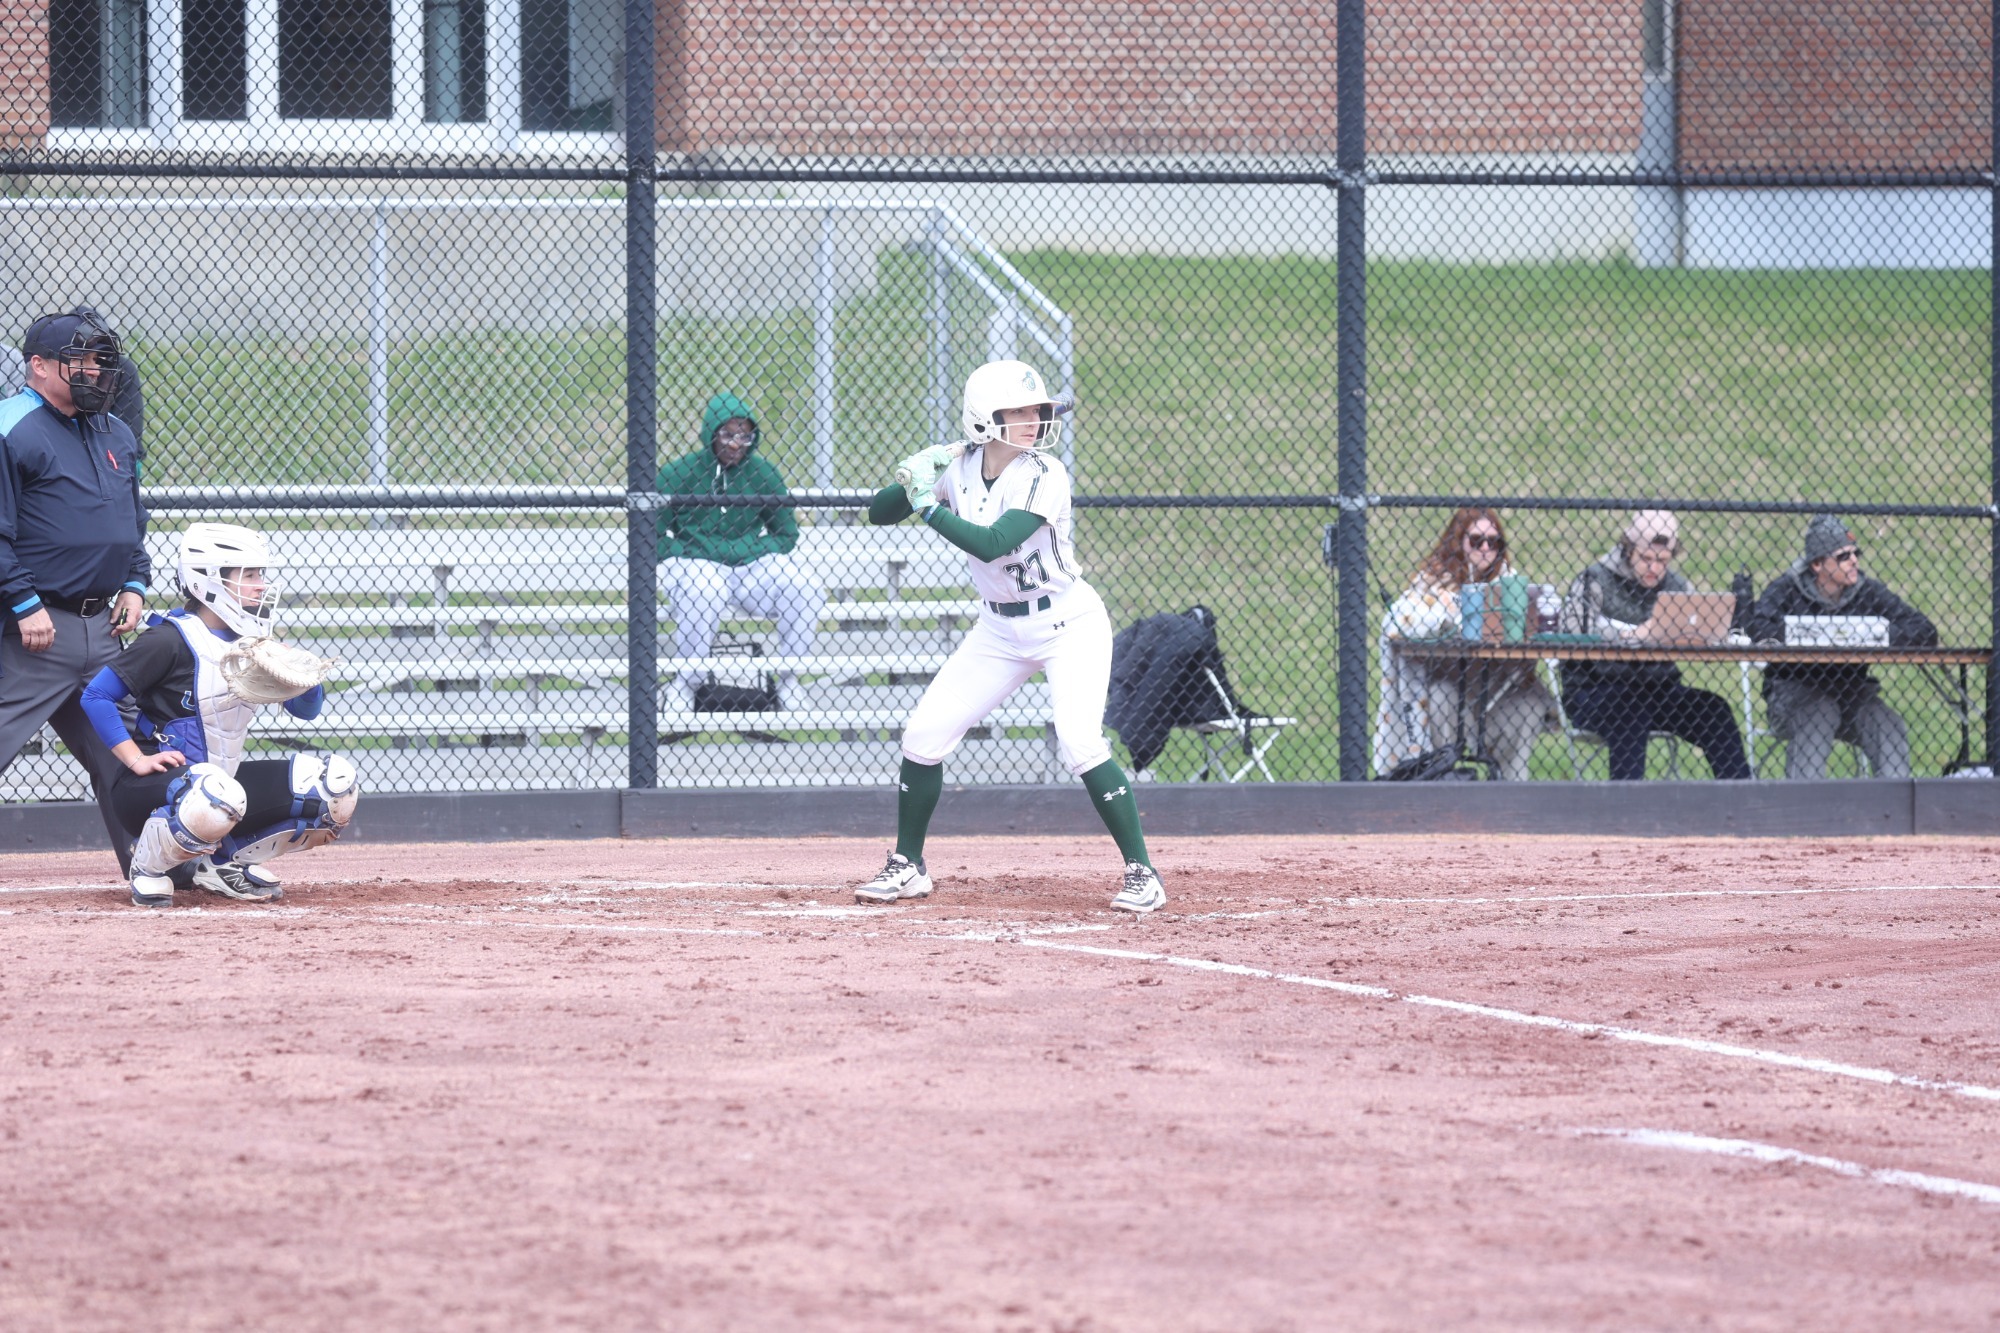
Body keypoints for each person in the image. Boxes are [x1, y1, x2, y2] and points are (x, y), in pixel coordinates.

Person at [852, 359, 1166, 914]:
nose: (1034, 420)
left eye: (1037, 411)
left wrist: (927, 506)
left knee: (1079, 742)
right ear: (982, 418)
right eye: (1018, 412)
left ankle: (1142, 872)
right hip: (999, 628)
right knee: (923, 736)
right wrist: (911, 479)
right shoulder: (960, 467)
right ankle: (909, 865)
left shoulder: (1045, 473)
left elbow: (995, 542)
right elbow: (878, 515)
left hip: (1068, 622)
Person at [79, 523, 360, 908]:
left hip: (220, 790)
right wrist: (136, 759)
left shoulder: (251, 643)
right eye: (249, 575)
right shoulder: (169, 639)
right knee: (214, 787)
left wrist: (302, 678)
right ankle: (147, 867)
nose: (261, 585)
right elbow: (96, 695)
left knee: (333, 787)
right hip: (150, 791)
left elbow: (305, 712)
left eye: (260, 574)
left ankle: (224, 864)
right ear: (209, 581)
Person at [0, 310, 149, 848]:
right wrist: (21, 601)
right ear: (37, 366)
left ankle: (159, 866)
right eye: (78, 361)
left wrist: (134, 582)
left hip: (103, 631)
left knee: (132, 756)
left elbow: (131, 522)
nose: (93, 371)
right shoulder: (11, 426)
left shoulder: (116, 431)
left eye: (99, 361)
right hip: (33, 632)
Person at [655, 392, 823, 709]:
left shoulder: (763, 474)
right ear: (711, 433)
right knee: (704, 589)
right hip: (697, 564)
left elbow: (786, 534)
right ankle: (686, 685)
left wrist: (747, 548)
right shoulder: (677, 473)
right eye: (727, 434)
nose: (735, 444)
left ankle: (788, 680)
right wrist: (686, 549)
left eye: (744, 436)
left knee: (806, 587)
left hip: (747, 567)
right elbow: (650, 534)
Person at [1557, 509, 1751, 781]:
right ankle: (1628, 810)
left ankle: (1741, 799)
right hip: (1595, 690)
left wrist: (1706, 634)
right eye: (1646, 558)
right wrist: (1634, 634)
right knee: (1630, 711)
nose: (1654, 568)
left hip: (1659, 689)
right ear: (1628, 551)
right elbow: (1573, 627)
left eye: (1662, 560)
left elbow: (1697, 623)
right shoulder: (1594, 579)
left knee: (1715, 709)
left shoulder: (1676, 585)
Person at [1745, 515, 1936, 779]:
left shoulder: (1867, 590)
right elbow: (1755, 627)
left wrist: (1873, 633)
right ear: (1817, 564)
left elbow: (1924, 630)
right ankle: (1804, 810)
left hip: (1852, 693)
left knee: (1886, 722)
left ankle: (1893, 809)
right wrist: (1815, 633)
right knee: (1820, 713)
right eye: (1843, 556)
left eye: (1855, 553)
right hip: (1794, 694)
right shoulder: (1787, 588)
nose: (1854, 560)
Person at [1373, 507, 1557, 781]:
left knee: (1527, 703)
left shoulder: (1511, 585)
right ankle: (1443, 778)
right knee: (1439, 696)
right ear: (1458, 541)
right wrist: (1451, 618)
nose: (1485, 548)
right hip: (1448, 684)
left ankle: (1512, 793)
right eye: (1476, 540)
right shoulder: (1431, 584)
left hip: (1495, 688)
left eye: (1493, 542)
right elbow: (1402, 620)